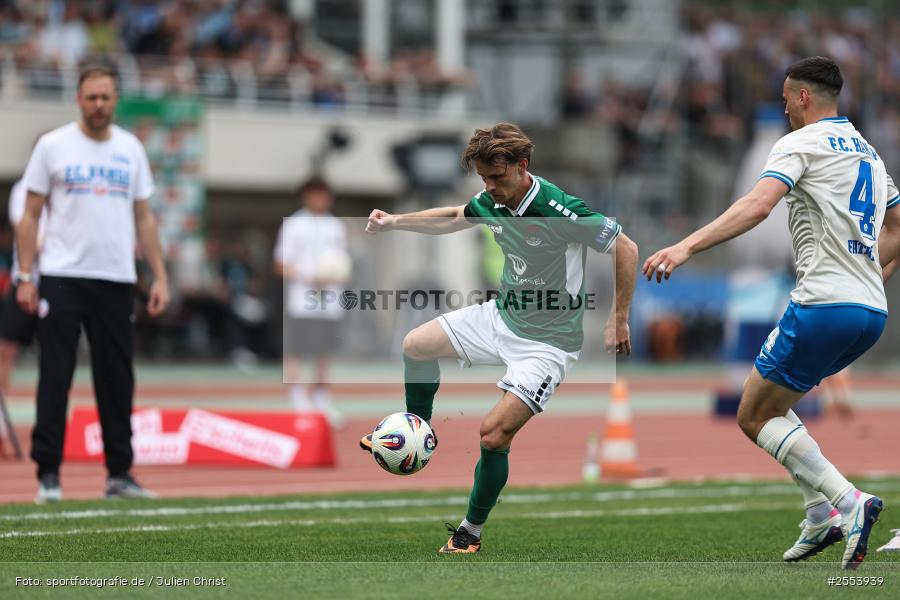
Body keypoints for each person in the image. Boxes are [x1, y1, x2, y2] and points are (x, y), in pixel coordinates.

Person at [642, 56, 900, 570]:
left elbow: (758, 206)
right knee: (774, 403)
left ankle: (848, 502)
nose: (784, 110)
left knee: (753, 415)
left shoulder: (800, 142)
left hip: (823, 302)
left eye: (786, 99)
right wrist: (870, 276)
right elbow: (897, 229)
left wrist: (686, 245)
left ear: (803, 96)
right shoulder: (869, 152)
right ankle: (818, 514)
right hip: (871, 310)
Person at [360, 122, 638, 553]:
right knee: (416, 345)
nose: (489, 186)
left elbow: (626, 247)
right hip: (501, 317)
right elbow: (455, 217)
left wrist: (618, 318)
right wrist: (396, 221)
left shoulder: (556, 208)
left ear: (522, 166)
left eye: (496, 176)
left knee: (493, 434)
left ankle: (469, 531)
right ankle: (418, 432)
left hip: (547, 345)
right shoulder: (492, 199)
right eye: (483, 177)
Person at [17, 64, 170, 503]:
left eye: (105, 97)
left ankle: (119, 474)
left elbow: (144, 218)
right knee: (56, 375)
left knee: (117, 379)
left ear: (115, 99)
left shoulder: (130, 148)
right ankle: (48, 475)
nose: (98, 105)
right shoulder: (53, 146)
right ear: (78, 99)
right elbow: (29, 215)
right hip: (62, 277)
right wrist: (25, 276)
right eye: (91, 98)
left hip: (116, 278)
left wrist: (159, 276)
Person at [274, 175, 349, 428]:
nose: (320, 199)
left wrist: (335, 275)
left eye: (324, 194)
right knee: (297, 350)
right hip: (302, 300)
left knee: (324, 351)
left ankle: (321, 400)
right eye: (315, 194)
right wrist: (309, 276)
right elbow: (280, 263)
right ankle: (298, 400)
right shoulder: (294, 225)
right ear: (305, 196)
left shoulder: (335, 226)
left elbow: (341, 261)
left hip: (329, 300)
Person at [0, 177, 45, 394]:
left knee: (57, 352)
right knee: (5, 348)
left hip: (59, 282)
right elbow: (25, 235)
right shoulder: (22, 189)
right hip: (26, 281)